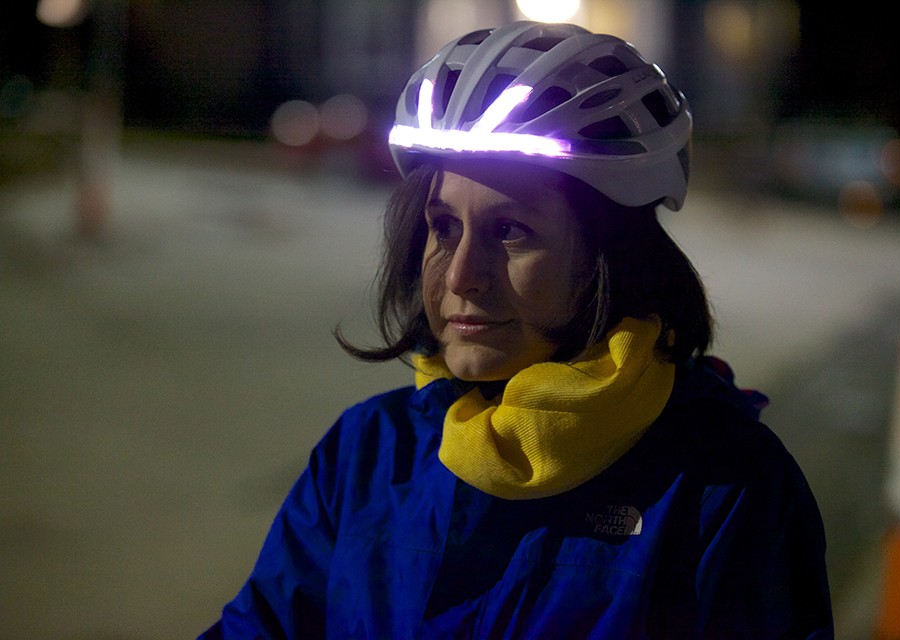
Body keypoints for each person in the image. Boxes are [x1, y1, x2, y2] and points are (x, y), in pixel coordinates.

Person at [199, 21, 833, 639]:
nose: (461, 277)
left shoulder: (724, 490)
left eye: (510, 232)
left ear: (609, 259)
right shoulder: (367, 453)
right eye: (444, 227)